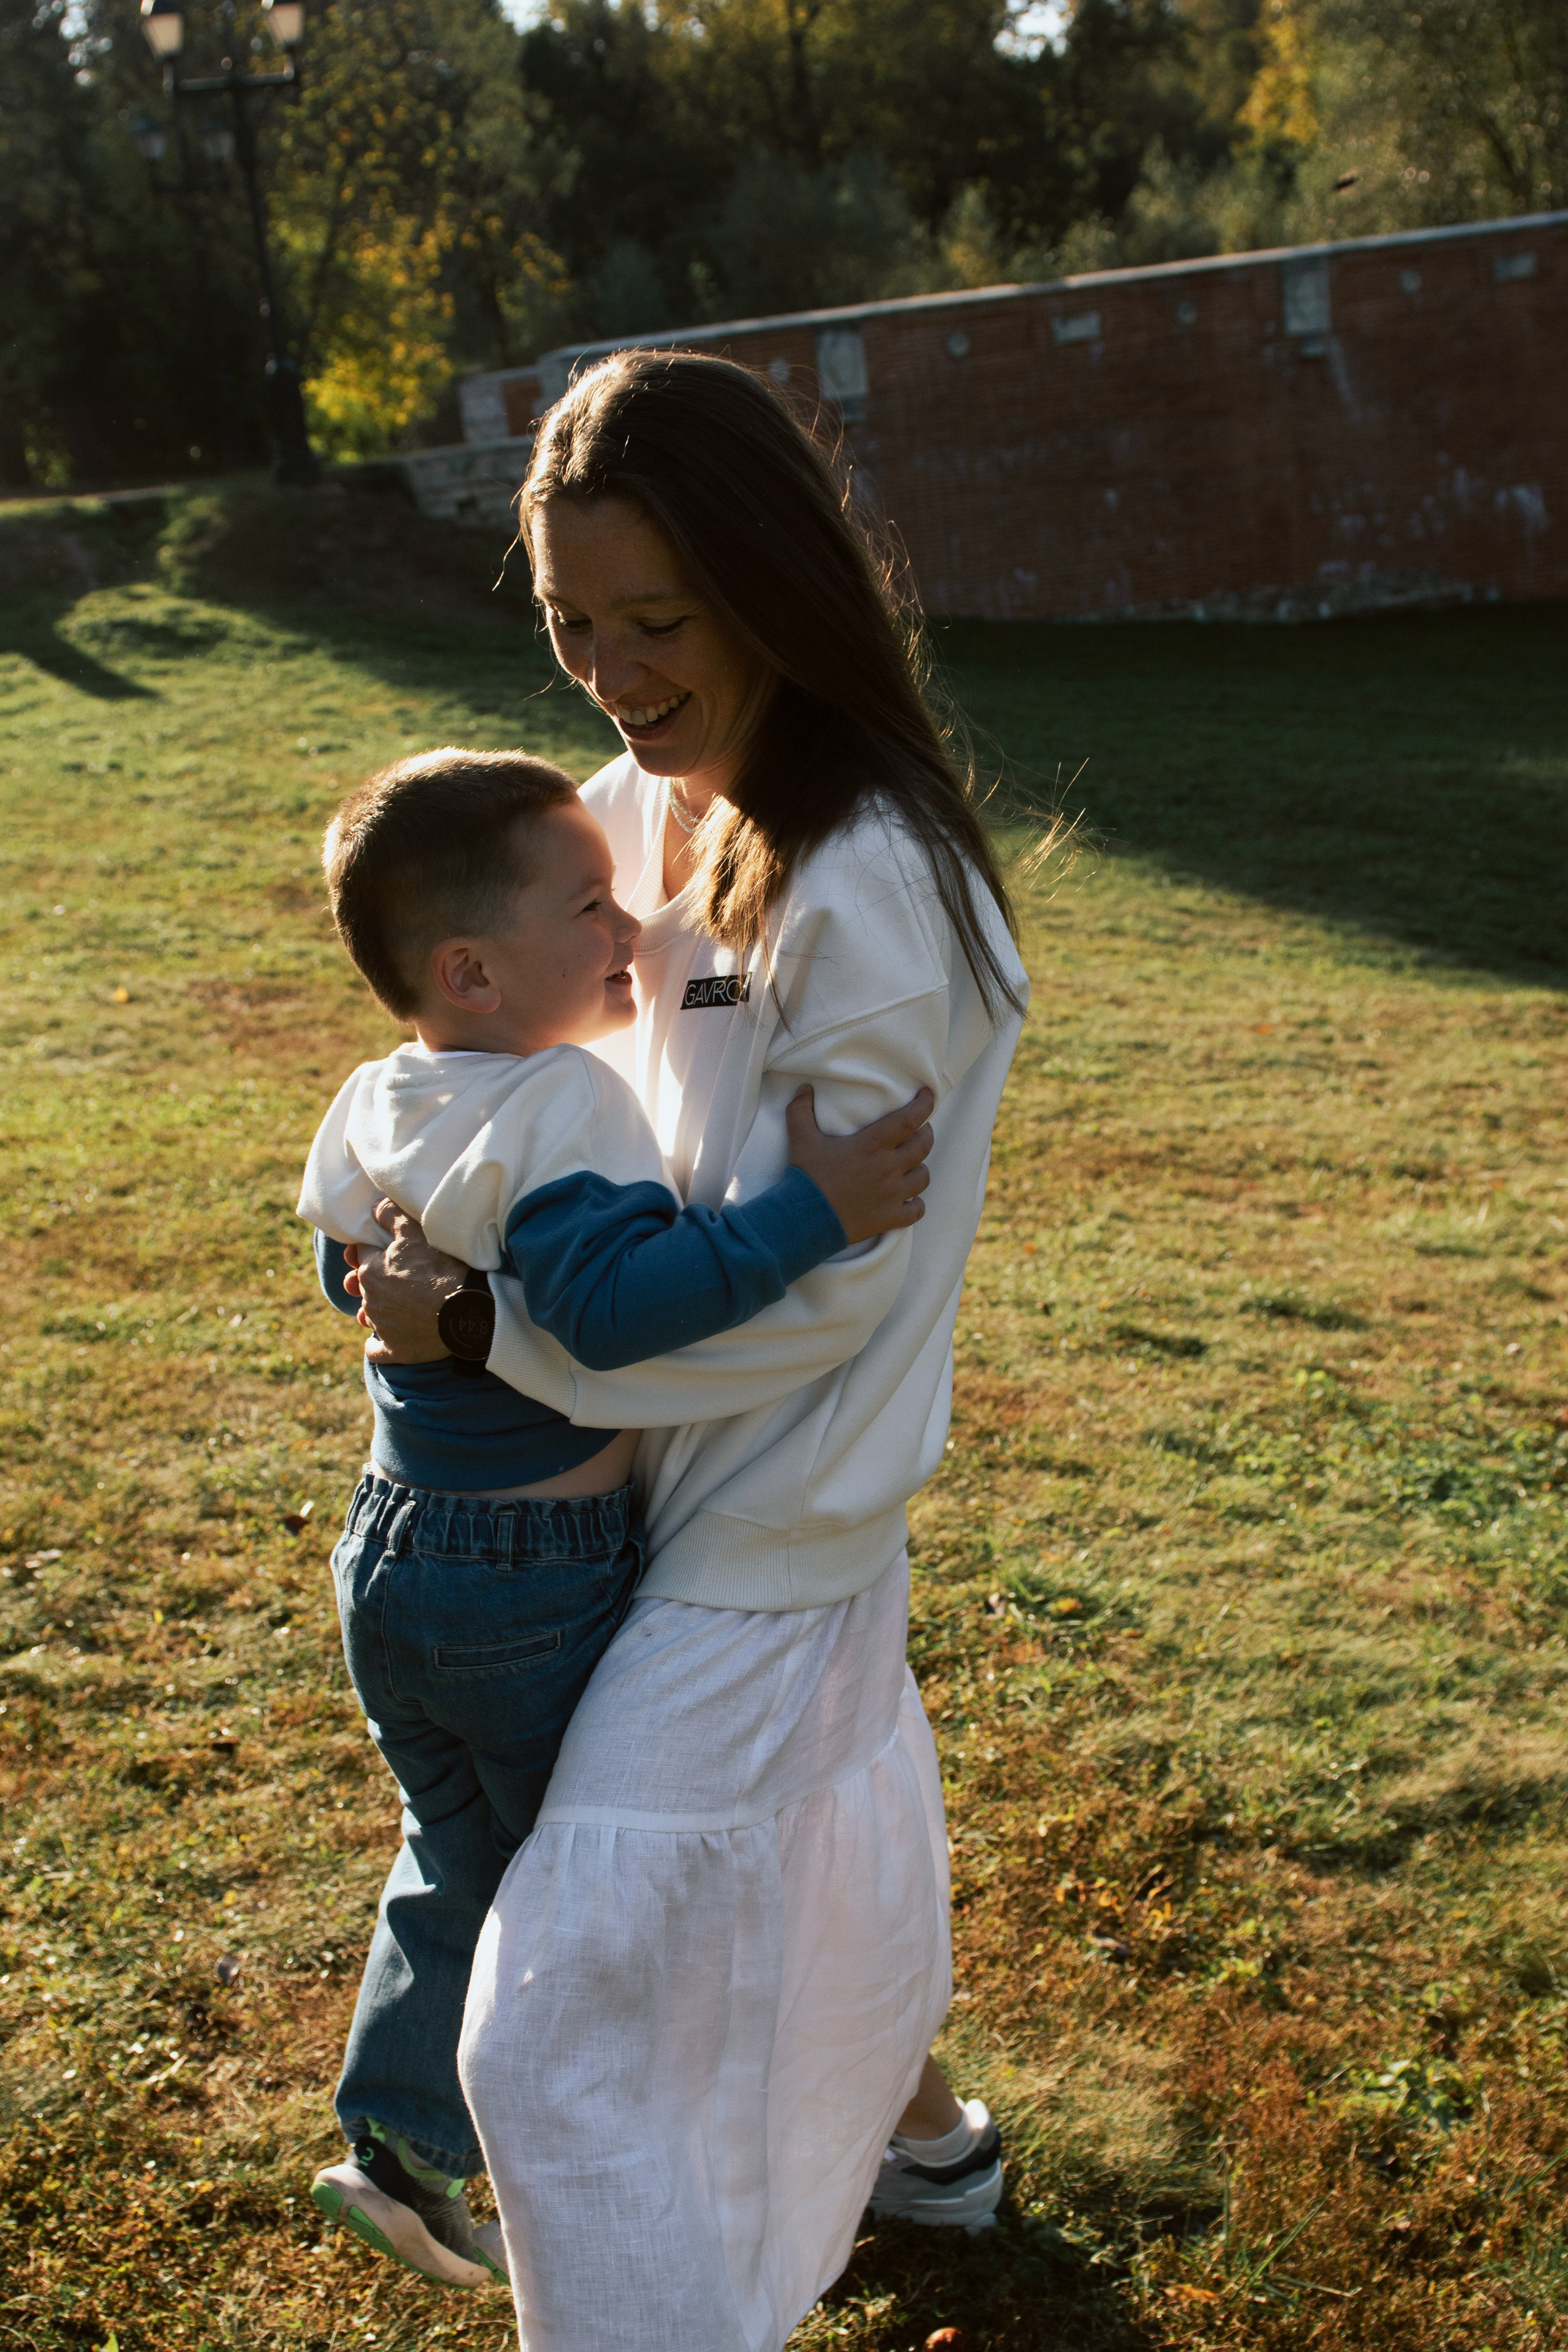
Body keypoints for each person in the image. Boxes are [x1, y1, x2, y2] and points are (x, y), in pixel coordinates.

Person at [350, 348, 1029, 2352]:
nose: (614, 671)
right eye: (573, 625)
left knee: (554, 2051)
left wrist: (479, 1324)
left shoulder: (877, 886)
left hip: (757, 1538)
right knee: (819, 1855)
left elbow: (825, 1293)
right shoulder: (638, 814)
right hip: (620, 1505)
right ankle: (929, 2144)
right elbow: (524, 1059)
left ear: (771, 586)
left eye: (659, 621)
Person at [298, 745, 936, 2288]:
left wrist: (441, 1301)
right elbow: (616, 1309)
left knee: (453, 1847)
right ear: (470, 967)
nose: (633, 937)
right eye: (590, 910)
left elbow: (342, 1271)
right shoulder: (561, 1103)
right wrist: (816, 1213)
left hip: (389, 1550)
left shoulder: (382, 1093)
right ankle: (587, 2172)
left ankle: (390, 2142)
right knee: (568, 1895)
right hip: (529, 1566)